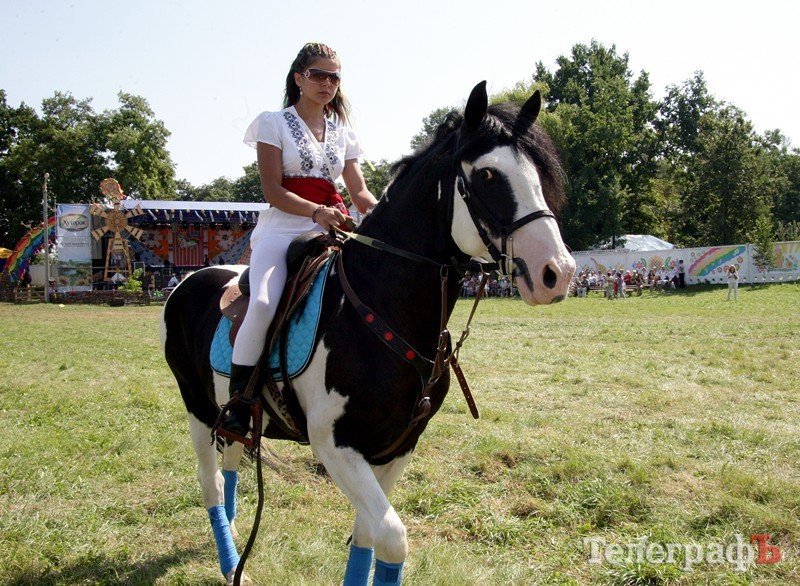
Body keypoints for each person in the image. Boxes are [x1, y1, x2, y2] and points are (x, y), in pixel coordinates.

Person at [219, 42, 378, 440]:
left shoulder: (344, 134)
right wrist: (316, 211)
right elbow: (273, 190)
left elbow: (358, 193)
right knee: (263, 301)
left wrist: (383, 212)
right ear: (299, 78)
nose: (327, 83)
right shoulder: (272, 123)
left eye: (334, 76)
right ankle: (238, 404)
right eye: (318, 75)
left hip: (331, 228)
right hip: (282, 230)